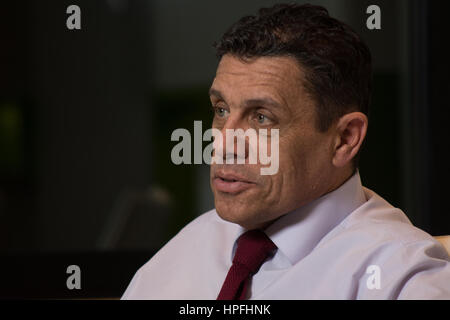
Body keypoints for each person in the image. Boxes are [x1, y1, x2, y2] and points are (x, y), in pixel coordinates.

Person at [121, 3, 450, 299]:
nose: (222, 143)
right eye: (221, 110)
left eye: (261, 117)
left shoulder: (402, 280)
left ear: (345, 138)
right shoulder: (182, 254)